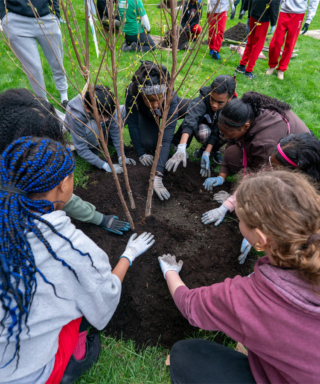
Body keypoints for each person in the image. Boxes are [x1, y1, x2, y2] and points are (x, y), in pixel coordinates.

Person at [0, 136, 155, 383]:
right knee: (81, 300)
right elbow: (105, 299)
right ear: (63, 184)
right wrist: (129, 254)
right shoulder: (71, 249)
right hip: (28, 374)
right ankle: (76, 358)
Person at [159, 170, 320, 384]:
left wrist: (170, 271)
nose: (238, 221)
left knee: (186, 354)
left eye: (240, 218)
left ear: (261, 240)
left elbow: (190, 306)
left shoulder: (250, 298)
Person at [0, 88, 130, 236]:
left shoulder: (15, 153)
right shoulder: (17, 179)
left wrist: (121, 155)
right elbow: (57, 193)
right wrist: (100, 219)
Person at [203, 132, 319, 264]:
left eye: (274, 168)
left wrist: (261, 238)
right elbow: (251, 188)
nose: (268, 169)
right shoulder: (273, 168)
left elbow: (290, 231)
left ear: (293, 175)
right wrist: (226, 206)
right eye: (270, 162)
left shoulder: (308, 205)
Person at [203, 91, 310, 191]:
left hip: (297, 166)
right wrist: (221, 176)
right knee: (232, 153)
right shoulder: (245, 113)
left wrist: (235, 199)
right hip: (268, 149)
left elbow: (262, 173)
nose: (226, 137)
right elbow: (231, 141)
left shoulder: (264, 142)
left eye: (230, 134)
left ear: (246, 126)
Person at [125, 61, 189, 201]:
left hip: (167, 109)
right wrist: (140, 153)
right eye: (150, 100)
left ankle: (177, 141)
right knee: (149, 143)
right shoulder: (132, 92)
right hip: (145, 114)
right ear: (141, 95)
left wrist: (158, 175)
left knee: (192, 107)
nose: (155, 104)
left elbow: (165, 138)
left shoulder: (169, 96)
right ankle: (150, 122)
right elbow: (133, 123)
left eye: (158, 98)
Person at [0, 0, 69, 106]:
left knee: (57, 61)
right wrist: (3, 16)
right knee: (34, 68)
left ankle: (64, 97)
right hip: (17, 22)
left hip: (46, 19)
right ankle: (43, 103)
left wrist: (55, 13)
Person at [168, 75, 236, 177]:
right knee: (203, 133)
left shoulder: (232, 107)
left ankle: (211, 149)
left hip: (218, 131)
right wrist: (181, 147)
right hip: (204, 126)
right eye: (212, 99)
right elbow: (191, 119)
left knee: (228, 130)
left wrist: (206, 153)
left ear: (230, 98)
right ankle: (179, 144)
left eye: (220, 102)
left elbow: (217, 131)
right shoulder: (203, 97)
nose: (214, 105)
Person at [65, 85, 136, 174]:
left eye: (108, 116)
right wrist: (104, 165)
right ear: (87, 108)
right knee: (93, 126)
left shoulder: (106, 104)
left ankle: (106, 138)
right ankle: (93, 146)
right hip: (85, 131)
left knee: (123, 111)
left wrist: (121, 155)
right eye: (102, 116)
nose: (106, 119)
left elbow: (115, 127)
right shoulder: (76, 116)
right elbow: (82, 149)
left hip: (98, 123)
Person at [267, 0, 320, 80]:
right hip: (284, 12)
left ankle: (281, 69)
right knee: (276, 42)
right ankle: (272, 65)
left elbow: (314, 2)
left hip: (298, 14)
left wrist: (308, 20)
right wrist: (275, 10)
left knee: (290, 44)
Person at [235, 0, 281, 79]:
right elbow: (274, 5)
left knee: (250, 42)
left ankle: (241, 65)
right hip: (262, 18)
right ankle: (248, 70)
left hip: (254, 12)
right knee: (258, 45)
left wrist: (248, 13)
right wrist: (273, 23)